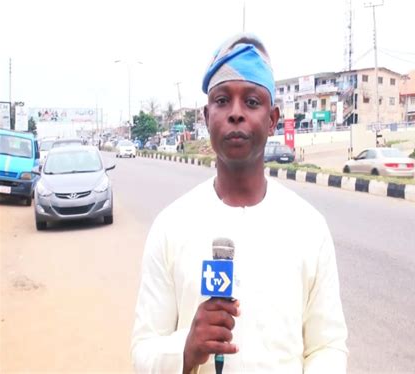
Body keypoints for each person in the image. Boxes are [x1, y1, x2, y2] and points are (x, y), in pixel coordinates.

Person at [131, 33, 348, 373]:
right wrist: (185, 350)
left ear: (273, 119)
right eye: (222, 100)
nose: (235, 114)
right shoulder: (171, 226)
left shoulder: (308, 227)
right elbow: (143, 353)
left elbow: (328, 347)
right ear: (206, 117)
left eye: (251, 102)